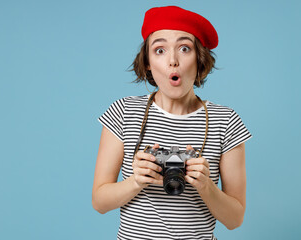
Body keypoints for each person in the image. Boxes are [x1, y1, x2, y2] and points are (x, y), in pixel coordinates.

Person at [92, 6, 252, 240]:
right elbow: (99, 202)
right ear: (147, 62)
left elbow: (235, 219)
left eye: (185, 48)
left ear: (199, 59)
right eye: (159, 50)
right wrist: (136, 181)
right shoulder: (123, 112)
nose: (173, 61)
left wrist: (205, 186)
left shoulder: (225, 121)